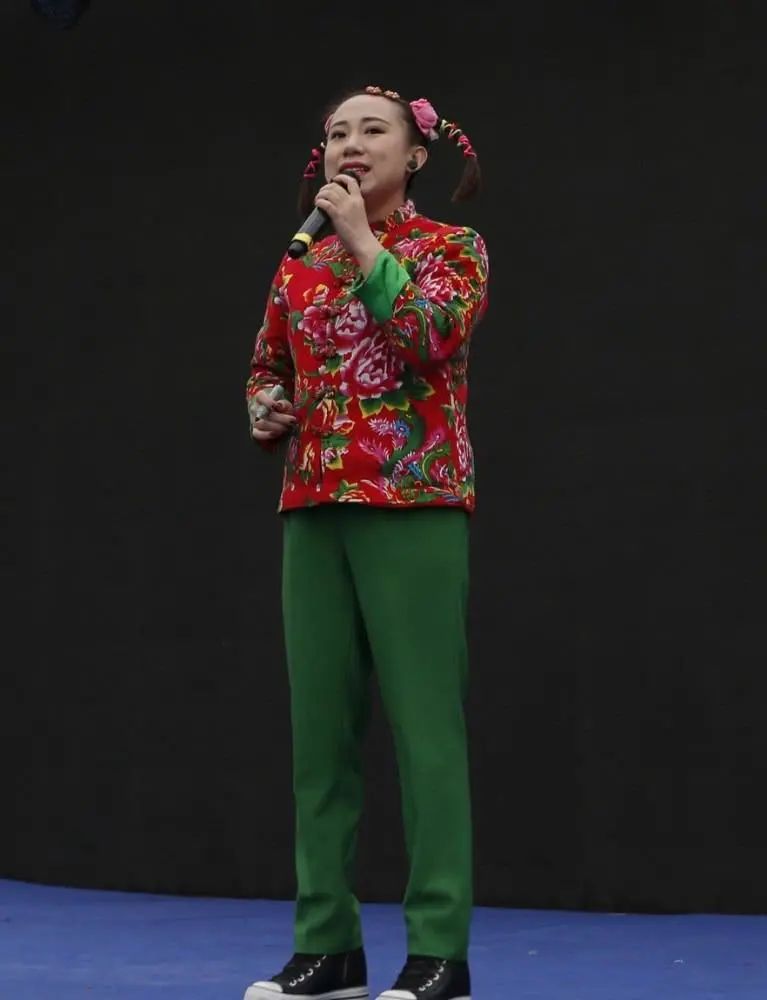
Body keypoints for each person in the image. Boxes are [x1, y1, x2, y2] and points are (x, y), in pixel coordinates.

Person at [243, 84, 488, 1000]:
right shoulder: (297, 261)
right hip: (312, 505)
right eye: (336, 131)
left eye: (371, 129)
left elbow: (429, 335)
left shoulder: (451, 248)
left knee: (425, 736)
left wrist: (360, 241)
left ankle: (438, 953)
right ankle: (328, 948)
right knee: (319, 742)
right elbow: (266, 364)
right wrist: (265, 406)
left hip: (413, 500)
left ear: (414, 155)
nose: (350, 142)